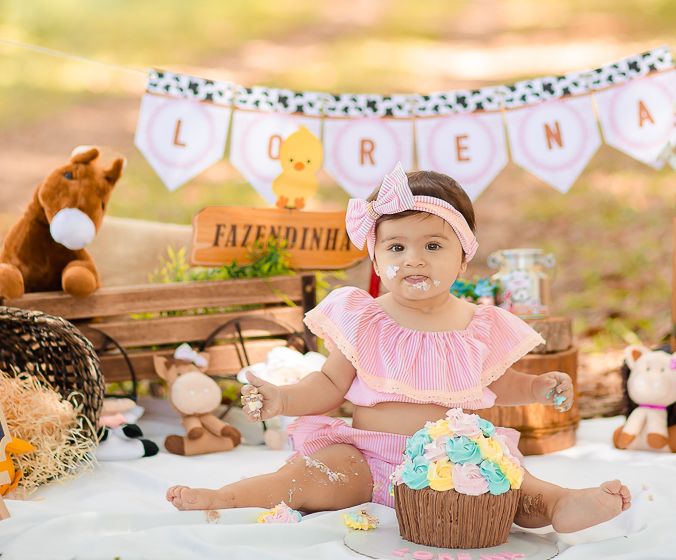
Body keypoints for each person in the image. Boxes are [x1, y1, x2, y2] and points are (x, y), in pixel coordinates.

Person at [166, 164, 631, 532]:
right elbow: (330, 383)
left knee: (509, 486)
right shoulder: (366, 317)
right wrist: (284, 398)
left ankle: (559, 505)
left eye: (432, 244)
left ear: (463, 256)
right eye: (395, 248)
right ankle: (226, 497)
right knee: (310, 475)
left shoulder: (479, 324)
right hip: (369, 456)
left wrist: (535, 387)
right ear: (375, 256)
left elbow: (496, 382)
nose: (413, 259)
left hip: (455, 458)